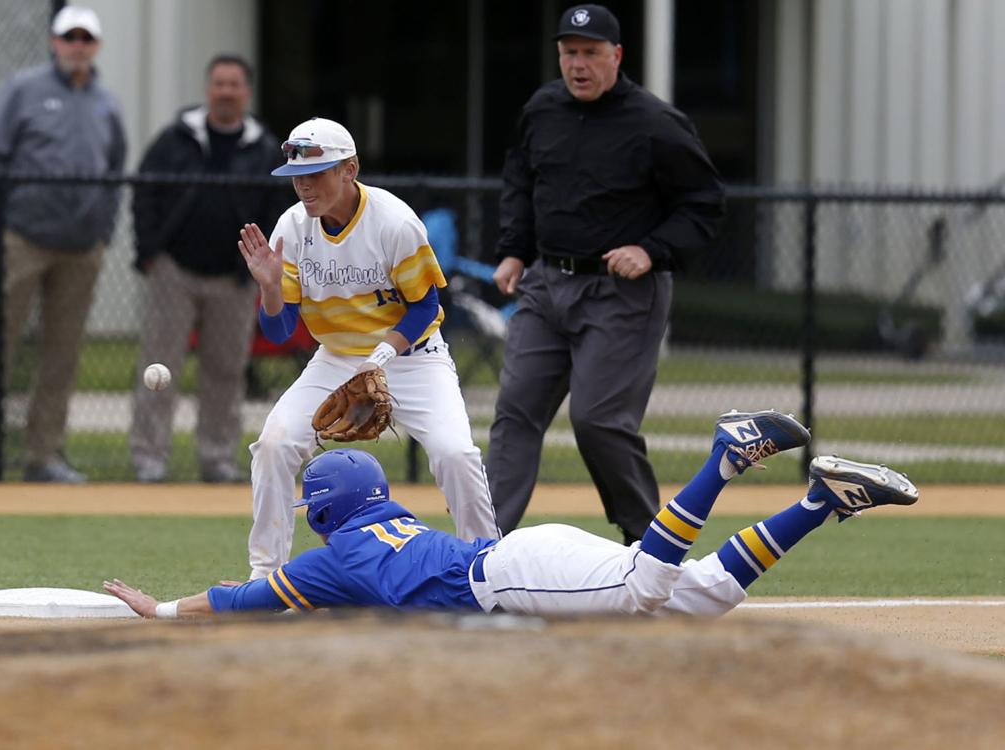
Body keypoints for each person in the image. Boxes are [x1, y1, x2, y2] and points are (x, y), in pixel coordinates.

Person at [105, 410, 920, 618]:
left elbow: (240, 601)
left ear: (323, 513)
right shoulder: (379, 533)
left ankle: (727, 457)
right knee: (699, 596)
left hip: (513, 579)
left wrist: (161, 610)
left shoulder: (336, 559)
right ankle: (820, 500)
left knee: (645, 586)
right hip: (521, 559)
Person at [488, 4, 726, 544]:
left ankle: (651, 545)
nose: (579, 64)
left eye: (591, 53)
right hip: (546, 285)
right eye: (569, 52)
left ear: (617, 56)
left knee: (598, 422)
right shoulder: (542, 109)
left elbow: (705, 204)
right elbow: (521, 181)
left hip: (621, 294)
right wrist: (513, 251)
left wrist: (652, 249)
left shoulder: (656, 124)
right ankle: (482, 547)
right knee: (515, 412)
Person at [234, 117, 500, 580]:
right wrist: (272, 289)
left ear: (349, 169)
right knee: (275, 443)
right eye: (297, 176)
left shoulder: (394, 221)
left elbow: (426, 306)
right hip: (335, 358)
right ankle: (266, 576)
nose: (304, 185)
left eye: (316, 173)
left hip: (414, 358)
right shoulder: (293, 228)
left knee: (455, 454)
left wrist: (379, 359)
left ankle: (492, 569)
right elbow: (279, 332)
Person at [0, 5, 126, 483]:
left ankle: (43, 455)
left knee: (62, 354)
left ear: (97, 46)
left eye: (86, 38)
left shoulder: (106, 102)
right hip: (23, 240)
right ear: (54, 41)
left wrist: (102, 231)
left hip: (81, 248)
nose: (77, 46)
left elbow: (114, 171)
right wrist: (1, 226)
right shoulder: (23, 90)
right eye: (70, 37)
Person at [129, 54, 283, 484]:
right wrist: (149, 250)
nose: (226, 91)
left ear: (246, 91)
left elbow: (276, 209)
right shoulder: (177, 138)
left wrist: (253, 266)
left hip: (233, 278)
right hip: (174, 270)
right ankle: (149, 457)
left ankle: (217, 458)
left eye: (235, 84)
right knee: (159, 365)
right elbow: (145, 191)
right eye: (219, 83)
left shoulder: (263, 147)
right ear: (207, 88)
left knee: (227, 370)